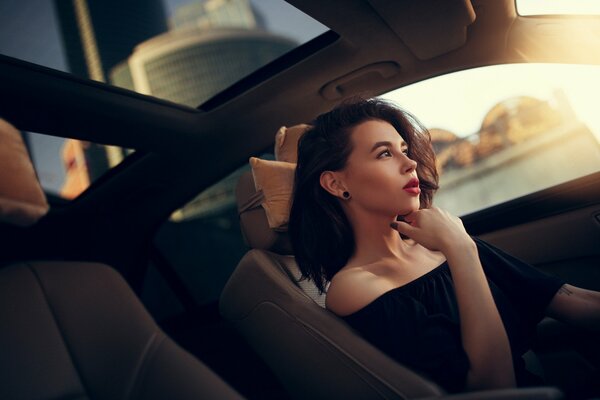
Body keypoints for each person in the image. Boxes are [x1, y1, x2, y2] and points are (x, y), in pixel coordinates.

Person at [288, 98, 600, 394]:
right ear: (336, 183)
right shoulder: (355, 287)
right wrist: (461, 250)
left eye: (405, 150)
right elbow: (495, 389)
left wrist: (458, 246)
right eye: (385, 153)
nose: (410, 163)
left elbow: (569, 299)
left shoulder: (439, 244)